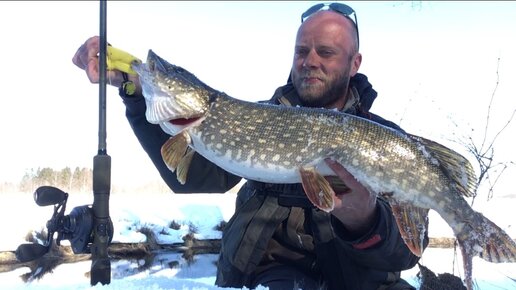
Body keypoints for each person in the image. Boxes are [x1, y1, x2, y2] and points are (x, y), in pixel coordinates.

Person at [73, 3, 426, 290]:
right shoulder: (259, 120)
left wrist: (365, 220)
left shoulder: (386, 141)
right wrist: (134, 91)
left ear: (354, 63)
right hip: (267, 278)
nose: (310, 60)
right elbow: (192, 178)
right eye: (302, 50)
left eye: (327, 52)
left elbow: (407, 252)